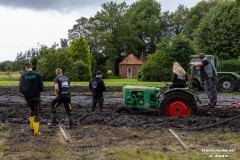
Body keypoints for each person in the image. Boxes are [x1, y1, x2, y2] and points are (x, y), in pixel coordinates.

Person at [19, 62, 43, 136]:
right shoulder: (38, 75)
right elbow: (41, 88)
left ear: (26, 67)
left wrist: (26, 94)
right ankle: (36, 132)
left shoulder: (23, 76)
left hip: (28, 98)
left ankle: (32, 127)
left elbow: (20, 89)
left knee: (31, 111)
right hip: (36, 98)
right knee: (37, 114)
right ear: (31, 67)